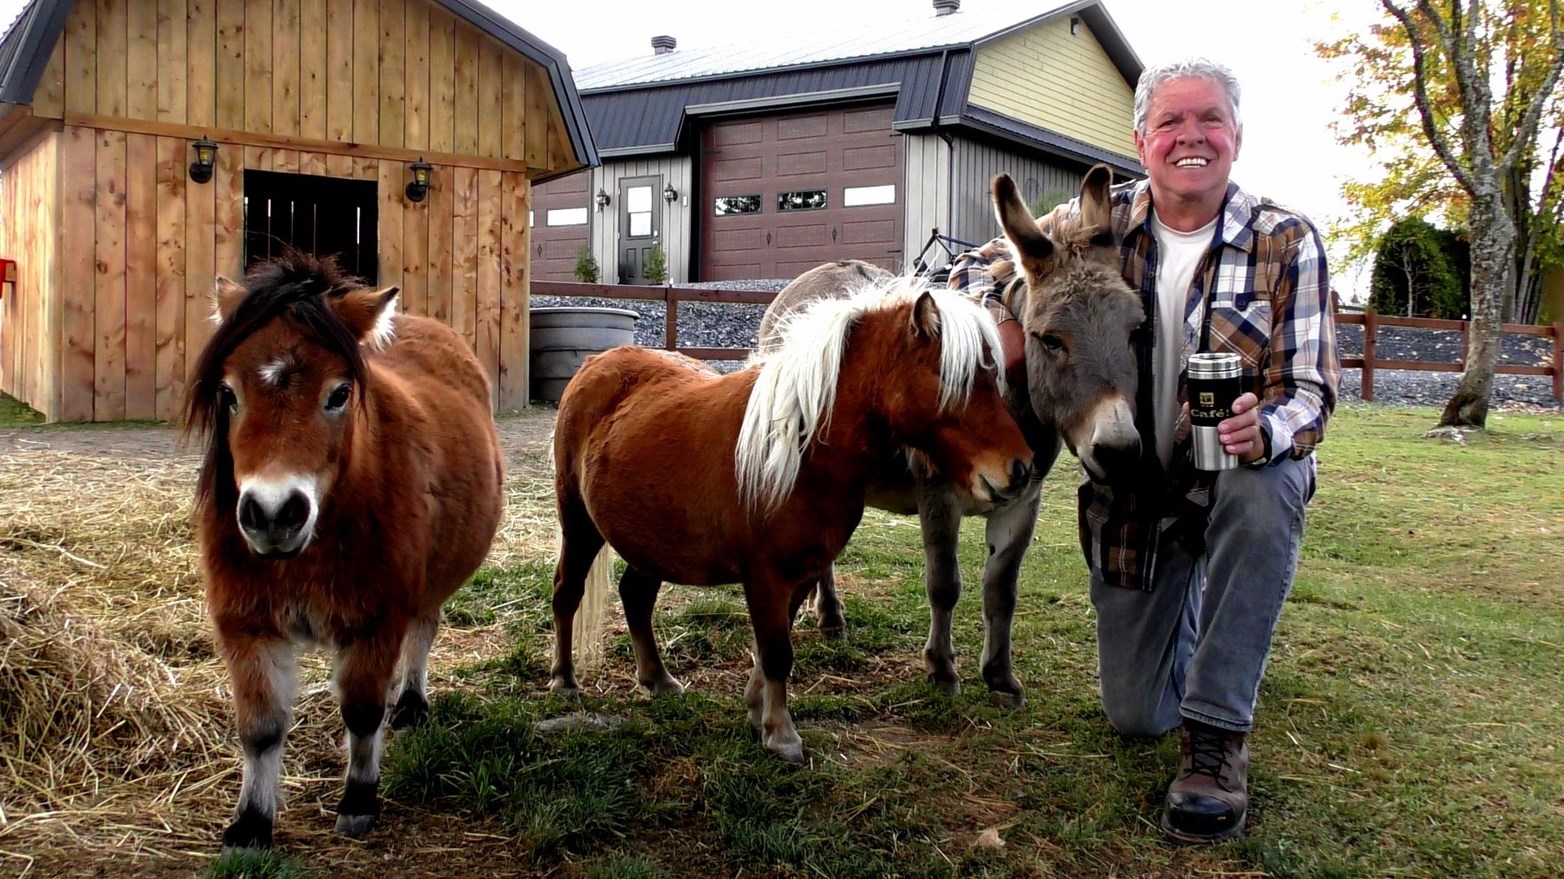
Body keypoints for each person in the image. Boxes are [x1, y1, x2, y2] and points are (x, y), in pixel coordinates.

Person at [949, 57, 1339, 844]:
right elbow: (982, 267)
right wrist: (1004, 321)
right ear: (1140, 138)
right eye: (1170, 122)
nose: (1190, 137)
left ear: (1237, 135)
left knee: (1265, 486)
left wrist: (1263, 428)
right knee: (1135, 716)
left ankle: (1216, 737)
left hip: (1231, 476)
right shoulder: (1100, 225)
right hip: (1134, 499)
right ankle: (1193, 615)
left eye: (1209, 121)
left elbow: (1310, 390)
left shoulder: (1286, 239)